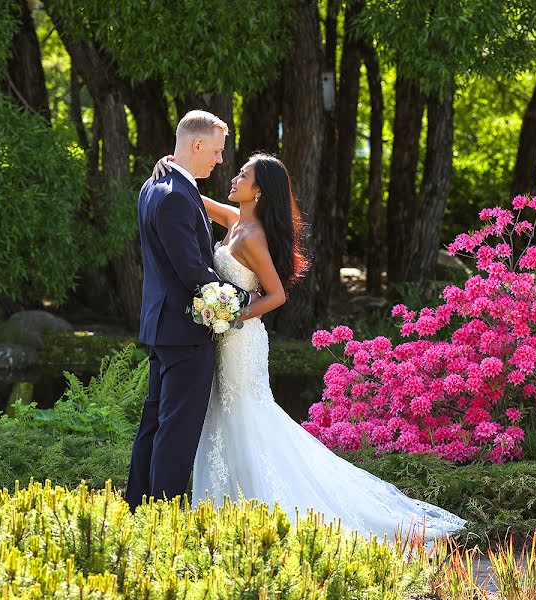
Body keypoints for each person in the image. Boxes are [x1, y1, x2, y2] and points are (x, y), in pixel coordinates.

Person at [152, 152, 466, 542]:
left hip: (240, 340)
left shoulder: (252, 237)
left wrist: (234, 315)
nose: (233, 178)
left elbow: (277, 295)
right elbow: (191, 197)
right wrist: (172, 163)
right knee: (222, 416)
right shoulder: (235, 221)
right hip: (222, 337)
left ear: (259, 191)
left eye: (243, 175)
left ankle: (265, 511)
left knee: (245, 416)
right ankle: (228, 514)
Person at [125, 110, 257, 513]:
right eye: (216, 151)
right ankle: (162, 513)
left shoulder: (156, 186)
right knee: (177, 429)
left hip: (163, 326)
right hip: (185, 328)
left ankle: (138, 506)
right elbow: (193, 272)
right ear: (196, 145)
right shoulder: (175, 197)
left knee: (155, 422)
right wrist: (246, 299)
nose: (220, 160)